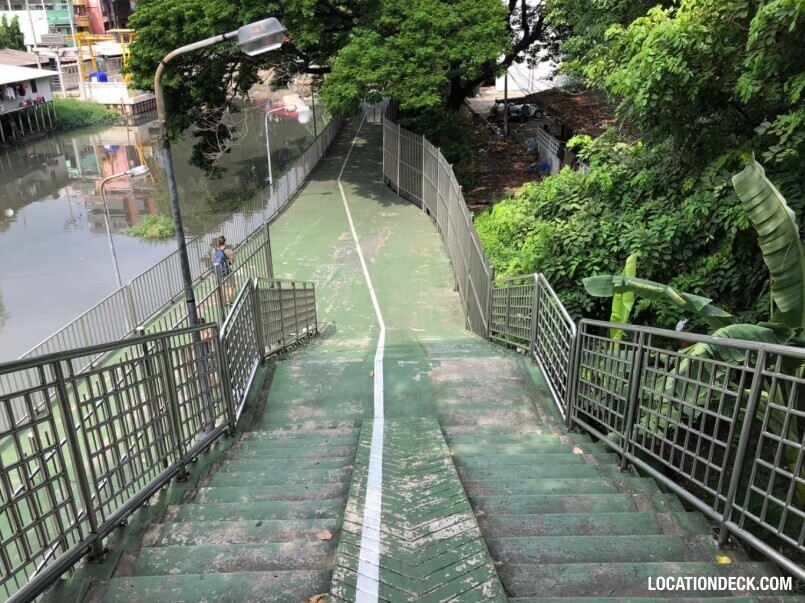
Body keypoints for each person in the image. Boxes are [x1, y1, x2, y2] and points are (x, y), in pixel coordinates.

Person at [210, 235, 236, 304]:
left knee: (221, 287)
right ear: (224, 242)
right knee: (232, 285)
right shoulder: (228, 251)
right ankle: (229, 299)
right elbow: (232, 261)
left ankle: (223, 302)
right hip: (226, 272)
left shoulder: (213, 250)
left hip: (217, 272)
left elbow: (212, 261)